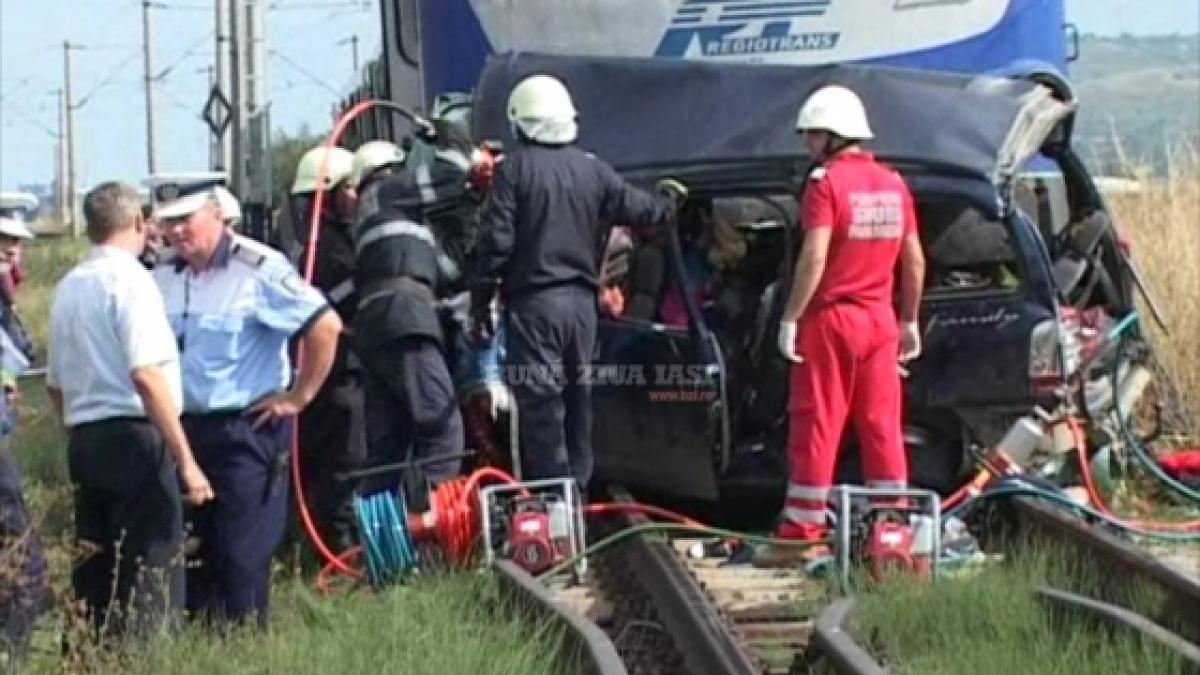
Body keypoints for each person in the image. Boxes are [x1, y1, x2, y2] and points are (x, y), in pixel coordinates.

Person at [472, 74, 686, 489]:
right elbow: (645, 209)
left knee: (540, 409)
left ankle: (552, 507)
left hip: (535, 308)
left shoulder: (512, 172)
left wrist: (481, 303)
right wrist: (669, 202)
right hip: (582, 310)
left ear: (521, 122)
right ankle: (578, 502)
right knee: (578, 405)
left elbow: (496, 244)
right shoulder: (594, 170)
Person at [149, 175, 341, 626]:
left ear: (216, 213)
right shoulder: (161, 275)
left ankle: (246, 647)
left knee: (242, 554)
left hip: (245, 431)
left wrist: (300, 396)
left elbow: (325, 326)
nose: (176, 232)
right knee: (194, 554)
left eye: (185, 220)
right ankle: (202, 646)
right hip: (183, 431)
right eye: (168, 223)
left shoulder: (258, 269)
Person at [755, 85, 926, 567]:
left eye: (811, 136)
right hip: (881, 321)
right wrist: (909, 318)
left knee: (817, 422)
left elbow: (815, 256)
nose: (808, 145)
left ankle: (802, 531)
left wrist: (790, 316)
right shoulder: (894, 183)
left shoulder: (824, 184)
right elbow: (913, 260)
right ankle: (890, 530)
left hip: (833, 319)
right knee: (881, 427)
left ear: (830, 136)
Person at [46, 182, 215, 639]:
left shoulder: (68, 288)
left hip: (85, 435)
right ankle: (147, 659)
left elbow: (55, 383)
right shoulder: (132, 282)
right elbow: (146, 374)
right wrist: (187, 461)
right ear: (140, 221)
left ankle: (92, 652)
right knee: (150, 566)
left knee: (97, 565)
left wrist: (77, 432)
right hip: (135, 433)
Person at [350, 137, 472, 502]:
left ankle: (381, 546)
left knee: (389, 444)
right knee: (442, 426)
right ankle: (434, 532)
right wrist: (446, 135)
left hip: (379, 326)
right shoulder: (389, 191)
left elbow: (448, 270)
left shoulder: (388, 218)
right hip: (404, 319)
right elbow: (453, 171)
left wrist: (465, 222)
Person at [285, 145, 367, 553]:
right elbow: (345, 305)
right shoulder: (330, 250)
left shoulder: (319, 242)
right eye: (351, 189)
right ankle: (342, 549)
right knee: (344, 461)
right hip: (339, 374)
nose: (358, 197)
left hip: (330, 372)